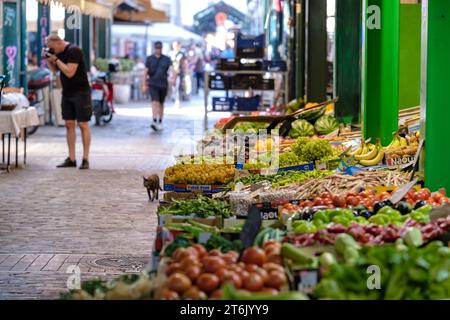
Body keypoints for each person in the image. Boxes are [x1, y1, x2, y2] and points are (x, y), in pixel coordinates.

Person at [44, 34, 92, 170]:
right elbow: (55, 71)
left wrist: (56, 60)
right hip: (67, 92)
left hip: (81, 92)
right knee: (69, 124)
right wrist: (49, 60)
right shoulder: (58, 54)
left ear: (58, 43)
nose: (52, 51)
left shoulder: (74, 50)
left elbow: (70, 72)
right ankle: (71, 159)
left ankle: (85, 158)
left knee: (83, 124)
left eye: (52, 48)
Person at [145, 41, 172, 131]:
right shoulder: (149, 59)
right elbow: (145, 71)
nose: (158, 49)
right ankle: (154, 120)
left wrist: (173, 79)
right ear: (154, 48)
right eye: (157, 48)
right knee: (154, 102)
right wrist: (144, 83)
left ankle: (160, 121)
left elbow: (172, 70)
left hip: (163, 84)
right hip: (152, 83)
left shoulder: (166, 59)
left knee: (161, 103)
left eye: (159, 48)